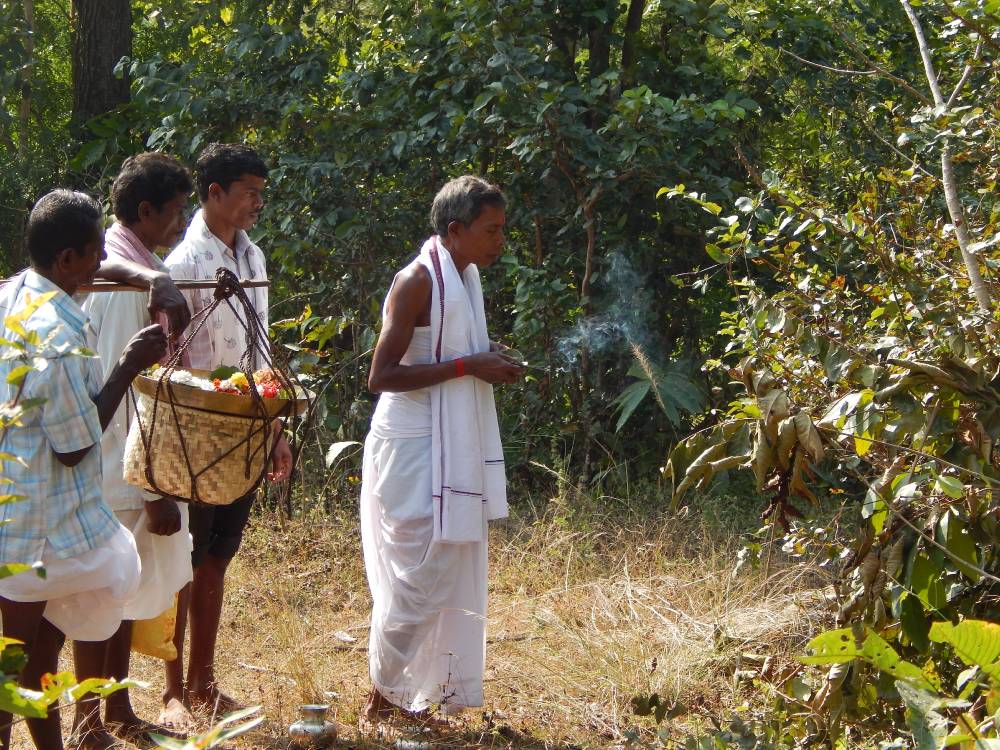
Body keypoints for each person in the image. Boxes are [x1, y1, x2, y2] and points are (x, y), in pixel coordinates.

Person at [0, 190, 168, 750]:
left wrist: (150, 281)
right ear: (67, 259)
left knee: (39, 649)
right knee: (13, 667)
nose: (102, 263)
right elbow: (74, 447)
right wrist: (127, 366)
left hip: (21, 507)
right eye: (96, 252)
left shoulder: (17, 292)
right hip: (40, 528)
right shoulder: (57, 335)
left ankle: (67, 738)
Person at [361, 175, 522, 724]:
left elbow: (452, 351)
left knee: (445, 565)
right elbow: (380, 376)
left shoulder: (464, 276)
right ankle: (381, 698)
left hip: (446, 441)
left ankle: (415, 695)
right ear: (454, 230)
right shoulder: (418, 280)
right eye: (491, 230)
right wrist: (468, 366)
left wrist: (487, 355)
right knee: (419, 571)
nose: (500, 241)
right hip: (410, 442)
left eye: (503, 229)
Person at [163, 143, 292, 719]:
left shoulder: (255, 258)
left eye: (261, 194)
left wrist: (275, 427)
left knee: (219, 553)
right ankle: (172, 688)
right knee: (185, 561)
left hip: (246, 425)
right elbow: (171, 357)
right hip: (194, 431)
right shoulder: (182, 264)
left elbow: (262, 346)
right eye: (249, 193)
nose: (257, 204)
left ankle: (203, 681)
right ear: (214, 194)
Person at [79, 153, 196, 742]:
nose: (182, 222)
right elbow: (124, 392)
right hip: (118, 467)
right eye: (175, 212)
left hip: (124, 464)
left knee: (119, 595)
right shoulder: (126, 282)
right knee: (103, 599)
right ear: (145, 211)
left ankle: (115, 711)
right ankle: (90, 717)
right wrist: (150, 488)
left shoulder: (135, 267)